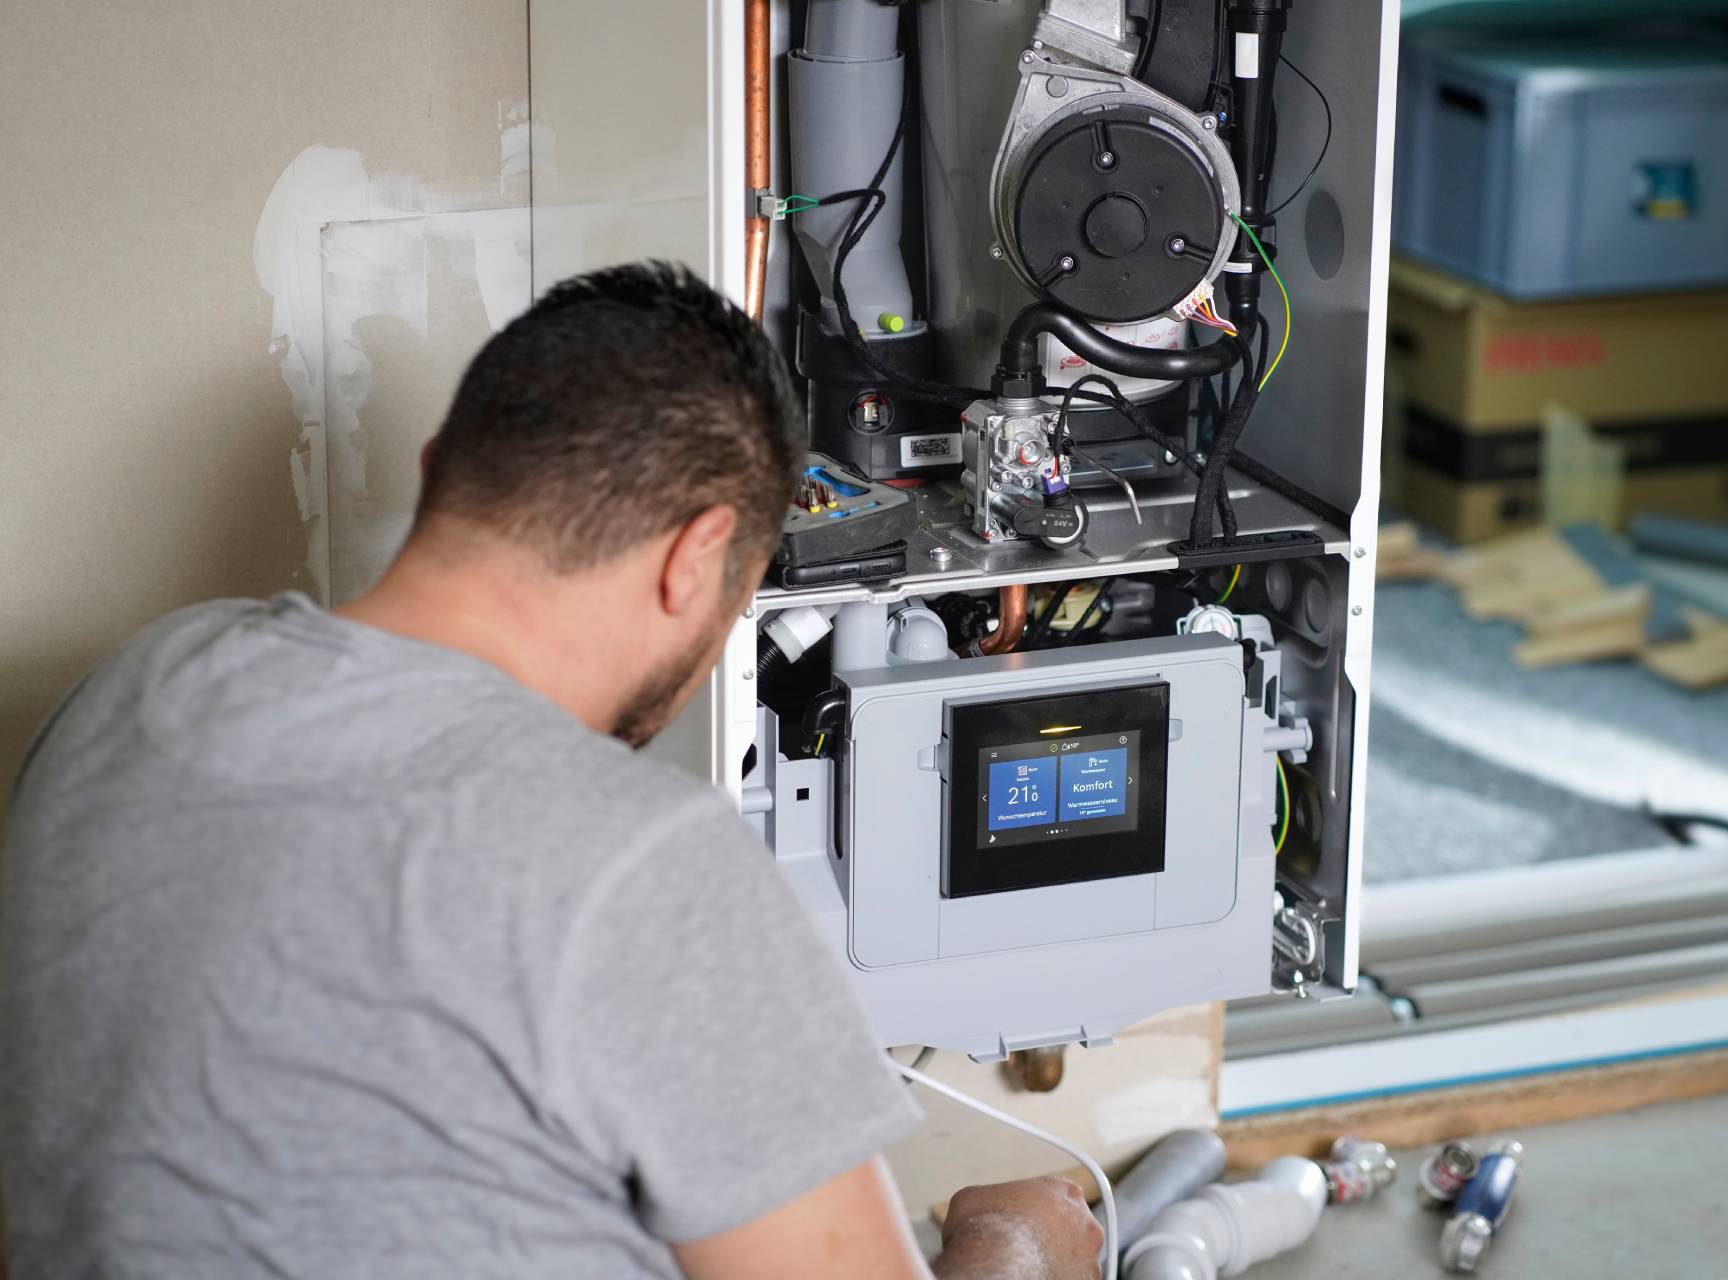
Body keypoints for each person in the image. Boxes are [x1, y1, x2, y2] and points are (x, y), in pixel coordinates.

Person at [0, 263, 1104, 1280]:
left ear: (441, 473)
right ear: (693, 559)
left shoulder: (124, 695)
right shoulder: (639, 859)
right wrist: (1012, 1247)